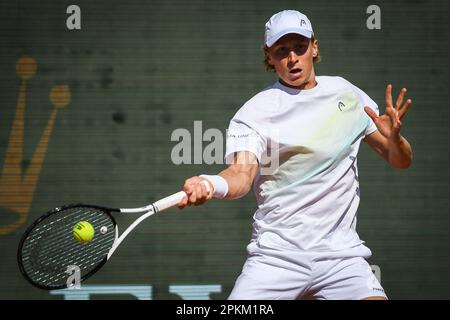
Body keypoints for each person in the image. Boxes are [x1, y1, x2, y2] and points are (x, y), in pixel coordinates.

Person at [177, 9, 412, 300]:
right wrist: (211, 184)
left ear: (314, 47)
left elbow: (401, 160)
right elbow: (240, 176)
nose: (292, 58)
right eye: (282, 50)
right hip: (277, 258)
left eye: (300, 47)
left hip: (341, 258)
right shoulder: (255, 113)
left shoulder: (347, 95)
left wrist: (396, 140)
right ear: (270, 57)